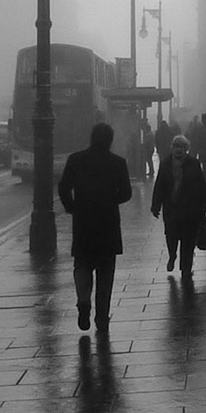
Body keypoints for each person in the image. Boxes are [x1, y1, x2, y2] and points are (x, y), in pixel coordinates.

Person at [56, 122, 131, 338]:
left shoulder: (76, 159)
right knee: (106, 273)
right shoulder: (118, 163)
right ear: (110, 140)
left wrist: (72, 207)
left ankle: (83, 300)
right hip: (107, 225)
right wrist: (110, 200)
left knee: (82, 264)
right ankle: (102, 318)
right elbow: (126, 193)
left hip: (83, 223)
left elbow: (63, 187)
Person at [150, 134, 206, 281]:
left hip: (190, 212)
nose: (179, 150)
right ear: (172, 148)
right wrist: (155, 205)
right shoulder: (165, 164)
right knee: (171, 237)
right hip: (172, 211)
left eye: (182, 147)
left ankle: (186, 269)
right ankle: (172, 256)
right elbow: (159, 186)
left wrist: (203, 206)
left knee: (188, 242)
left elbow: (201, 186)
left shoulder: (194, 164)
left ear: (186, 149)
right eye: (176, 146)